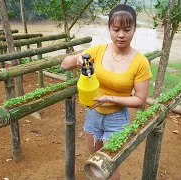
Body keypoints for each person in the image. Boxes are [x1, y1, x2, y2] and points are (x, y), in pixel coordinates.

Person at [61, 4, 152, 180]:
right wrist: (77, 58)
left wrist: (109, 98)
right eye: (116, 29)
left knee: (109, 166)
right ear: (109, 28)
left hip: (117, 119)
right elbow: (64, 64)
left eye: (127, 29)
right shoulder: (98, 50)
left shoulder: (141, 62)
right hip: (93, 116)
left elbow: (140, 100)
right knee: (95, 163)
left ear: (134, 29)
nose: (121, 35)